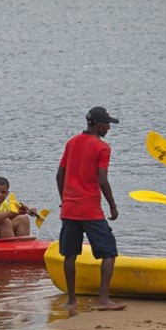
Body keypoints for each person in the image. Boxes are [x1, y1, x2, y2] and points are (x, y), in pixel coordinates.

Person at [56, 106, 126, 311]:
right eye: (107, 124)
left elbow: (59, 175)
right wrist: (113, 206)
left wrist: (65, 199)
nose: (109, 128)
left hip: (69, 209)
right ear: (97, 124)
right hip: (90, 210)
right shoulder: (102, 147)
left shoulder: (71, 142)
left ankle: (71, 301)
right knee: (109, 252)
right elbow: (102, 179)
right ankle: (104, 300)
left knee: (70, 254)